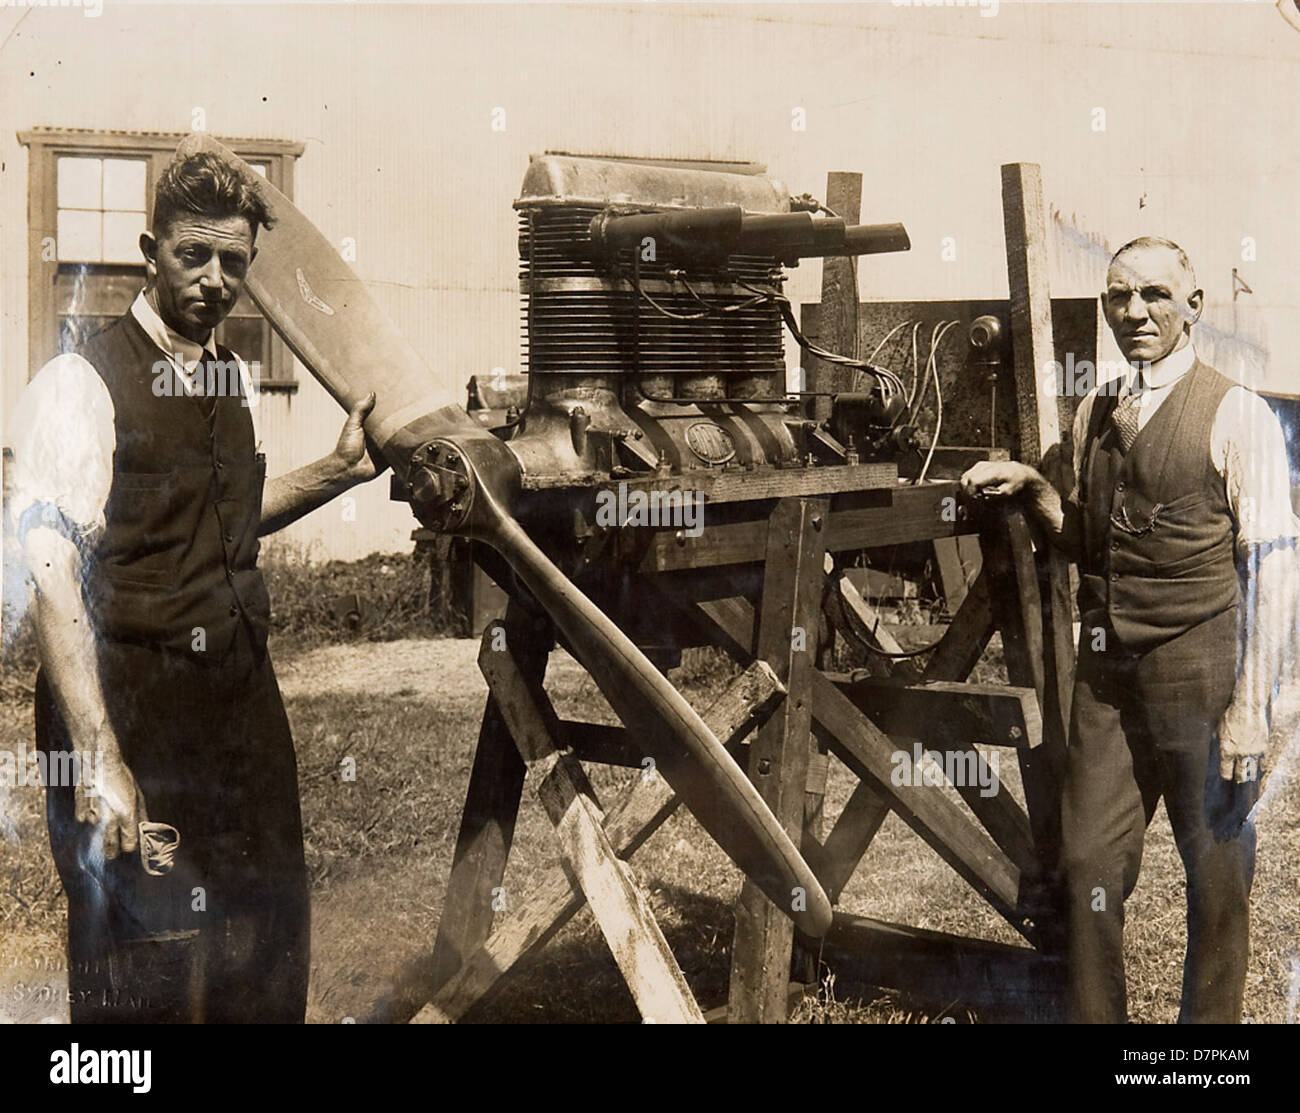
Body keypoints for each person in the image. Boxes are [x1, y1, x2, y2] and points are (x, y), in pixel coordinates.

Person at [6, 150, 386, 1022]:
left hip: (239, 710)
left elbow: (224, 519)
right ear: (152, 249)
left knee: (263, 947)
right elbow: (54, 574)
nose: (216, 280)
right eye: (194, 256)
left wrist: (334, 472)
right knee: (146, 970)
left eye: (235, 263)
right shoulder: (79, 383)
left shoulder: (225, 376)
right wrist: (100, 759)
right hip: (133, 705)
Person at [960, 236, 1297, 1023]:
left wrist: (1251, 707)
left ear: (1194, 307)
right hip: (1108, 679)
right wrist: (1039, 486)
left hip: (1201, 672)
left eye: (1153, 295)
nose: (1135, 311)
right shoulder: (1094, 410)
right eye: (1119, 296)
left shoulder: (1236, 413)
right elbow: (1089, 537)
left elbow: (1276, 567)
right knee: (1087, 862)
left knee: (1215, 870)